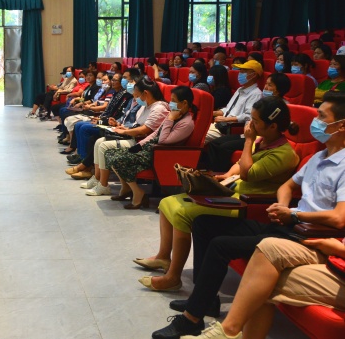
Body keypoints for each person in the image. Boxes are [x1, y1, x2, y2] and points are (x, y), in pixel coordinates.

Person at [150, 91, 345, 339]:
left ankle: (191, 320)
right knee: (203, 224)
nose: (315, 122)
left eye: (322, 117)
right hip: (286, 224)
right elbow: (287, 186)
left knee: (221, 245)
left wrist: (295, 216)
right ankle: (204, 300)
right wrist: (282, 207)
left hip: (307, 234)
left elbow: (339, 218)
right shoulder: (318, 157)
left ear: (341, 125)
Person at [138, 98, 299, 292]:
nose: (250, 125)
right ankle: (163, 257)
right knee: (168, 202)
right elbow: (240, 164)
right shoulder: (264, 141)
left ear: (272, 126)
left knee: (182, 212)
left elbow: (247, 173)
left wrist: (248, 140)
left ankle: (173, 277)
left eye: (255, 121)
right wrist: (227, 175)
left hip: (246, 204)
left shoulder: (283, 154)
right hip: (231, 192)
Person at [187, 236, 345, 339]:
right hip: (336, 255)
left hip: (339, 259)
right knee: (268, 248)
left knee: (264, 277)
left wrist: (338, 249)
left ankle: (227, 331)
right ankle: (228, 330)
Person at [106, 86, 195, 209]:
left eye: (173, 100)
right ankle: (126, 189)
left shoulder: (186, 123)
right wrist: (139, 145)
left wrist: (170, 119)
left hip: (159, 154)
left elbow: (163, 141)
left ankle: (139, 194)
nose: (170, 103)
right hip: (148, 148)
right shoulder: (174, 114)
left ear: (184, 103)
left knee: (118, 159)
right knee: (110, 153)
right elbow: (156, 133)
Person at [84, 78, 169, 196]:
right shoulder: (147, 106)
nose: (135, 98)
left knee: (104, 146)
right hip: (135, 137)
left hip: (142, 143)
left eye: (137, 95)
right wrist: (123, 128)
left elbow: (145, 130)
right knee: (99, 141)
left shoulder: (159, 108)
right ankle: (97, 179)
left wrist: (125, 132)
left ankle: (103, 185)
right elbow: (138, 125)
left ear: (146, 93)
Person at [200, 75, 292, 172]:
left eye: (270, 85)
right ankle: (211, 172)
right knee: (214, 143)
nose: (265, 87)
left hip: (258, 136)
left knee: (224, 147)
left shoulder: (283, 106)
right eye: (266, 83)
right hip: (248, 132)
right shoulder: (264, 101)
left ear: (279, 90)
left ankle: (220, 172)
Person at [205, 60, 263, 143]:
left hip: (229, 128)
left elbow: (248, 116)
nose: (240, 74)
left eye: (244, 72)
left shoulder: (256, 94)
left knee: (198, 136)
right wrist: (212, 112)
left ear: (253, 75)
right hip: (220, 124)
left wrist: (226, 119)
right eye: (240, 71)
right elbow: (228, 109)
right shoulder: (240, 89)